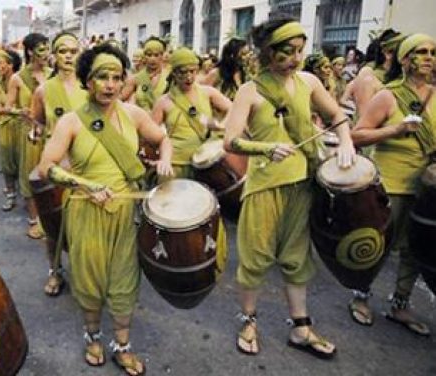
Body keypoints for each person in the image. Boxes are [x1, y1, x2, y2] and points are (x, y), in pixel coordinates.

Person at [222, 18, 355, 358]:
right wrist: (265, 148)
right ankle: (248, 321)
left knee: (297, 258)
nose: (295, 58)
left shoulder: (309, 82)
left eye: (299, 50)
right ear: (268, 52)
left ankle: (301, 328)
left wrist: (345, 142)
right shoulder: (250, 91)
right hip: (265, 186)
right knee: (255, 258)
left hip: (301, 183)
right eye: (287, 52)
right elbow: (230, 141)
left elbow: (337, 114)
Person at [38, 43, 173, 376]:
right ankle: (93, 335)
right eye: (102, 77)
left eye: (116, 77)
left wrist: (166, 158)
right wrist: (84, 185)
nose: (110, 84)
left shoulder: (134, 114)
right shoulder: (72, 121)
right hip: (87, 211)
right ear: (88, 80)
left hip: (127, 213)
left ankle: (123, 346)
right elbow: (46, 167)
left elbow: (163, 138)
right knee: (90, 279)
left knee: (125, 280)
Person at [350, 33, 435, 336]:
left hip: (425, 188)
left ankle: (400, 303)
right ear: (404, 59)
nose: (429, 57)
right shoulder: (388, 95)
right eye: (421, 52)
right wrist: (396, 129)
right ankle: (361, 296)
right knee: (380, 244)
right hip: (392, 183)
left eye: (432, 52)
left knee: (415, 249)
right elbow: (357, 135)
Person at [30, 32, 87, 293]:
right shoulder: (44, 90)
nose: (68, 56)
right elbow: (38, 122)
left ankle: (89, 270)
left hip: (85, 161)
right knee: (53, 223)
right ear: (53, 55)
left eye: (73, 51)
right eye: (62, 51)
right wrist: (35, 132)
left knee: (86, 222)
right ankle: (54, 271)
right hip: (56, 163)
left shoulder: (90, 87)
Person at [152, 47, 231, 181]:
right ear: (174, 73)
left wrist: (221, 125)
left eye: (192, 71)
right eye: (183, 72)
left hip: (204, 163)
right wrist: (162, 156)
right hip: (175, 164)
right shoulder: (163, 102)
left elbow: (234, 110)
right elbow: (151, 134)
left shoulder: (208, 93)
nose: (188, 77)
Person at [14, 33, 51, 229]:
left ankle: (51, 216)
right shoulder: (18, 78)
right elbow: (8, 106)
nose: (46, 53)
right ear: (30, 51)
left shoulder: (54, 74)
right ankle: (34, 219)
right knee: (30, 173)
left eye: (47, 48)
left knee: (52, 173)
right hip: (31, 132)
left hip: (52, 131)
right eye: (41, 49)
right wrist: (20, 111)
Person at [0, 49, 23, 210]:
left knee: (24, 161)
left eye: (0, 62)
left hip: (23, 125)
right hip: (5, 127)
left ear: (11, 64)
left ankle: (27, 194)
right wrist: (17, 111)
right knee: (7, 162)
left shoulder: (22, 80)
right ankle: (11, 196)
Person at [121, 36, 169, 112]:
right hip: (141, 120)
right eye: (149, 55)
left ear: (162, 56)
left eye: (156, 55)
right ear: (144, 56)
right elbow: (119, 99)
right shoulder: (135, 78)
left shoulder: (169, 77)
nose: (152, 59)